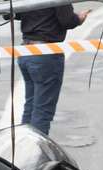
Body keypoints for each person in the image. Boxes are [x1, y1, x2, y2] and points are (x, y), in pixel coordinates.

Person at [17, 6, 89, 135]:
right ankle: (35, 151)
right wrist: (78, 19)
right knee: (42, 111)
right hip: (45, 53)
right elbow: (66, 20)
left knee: (30, 106)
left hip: (25, 50)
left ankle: (22, 146)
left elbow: (14, 13)